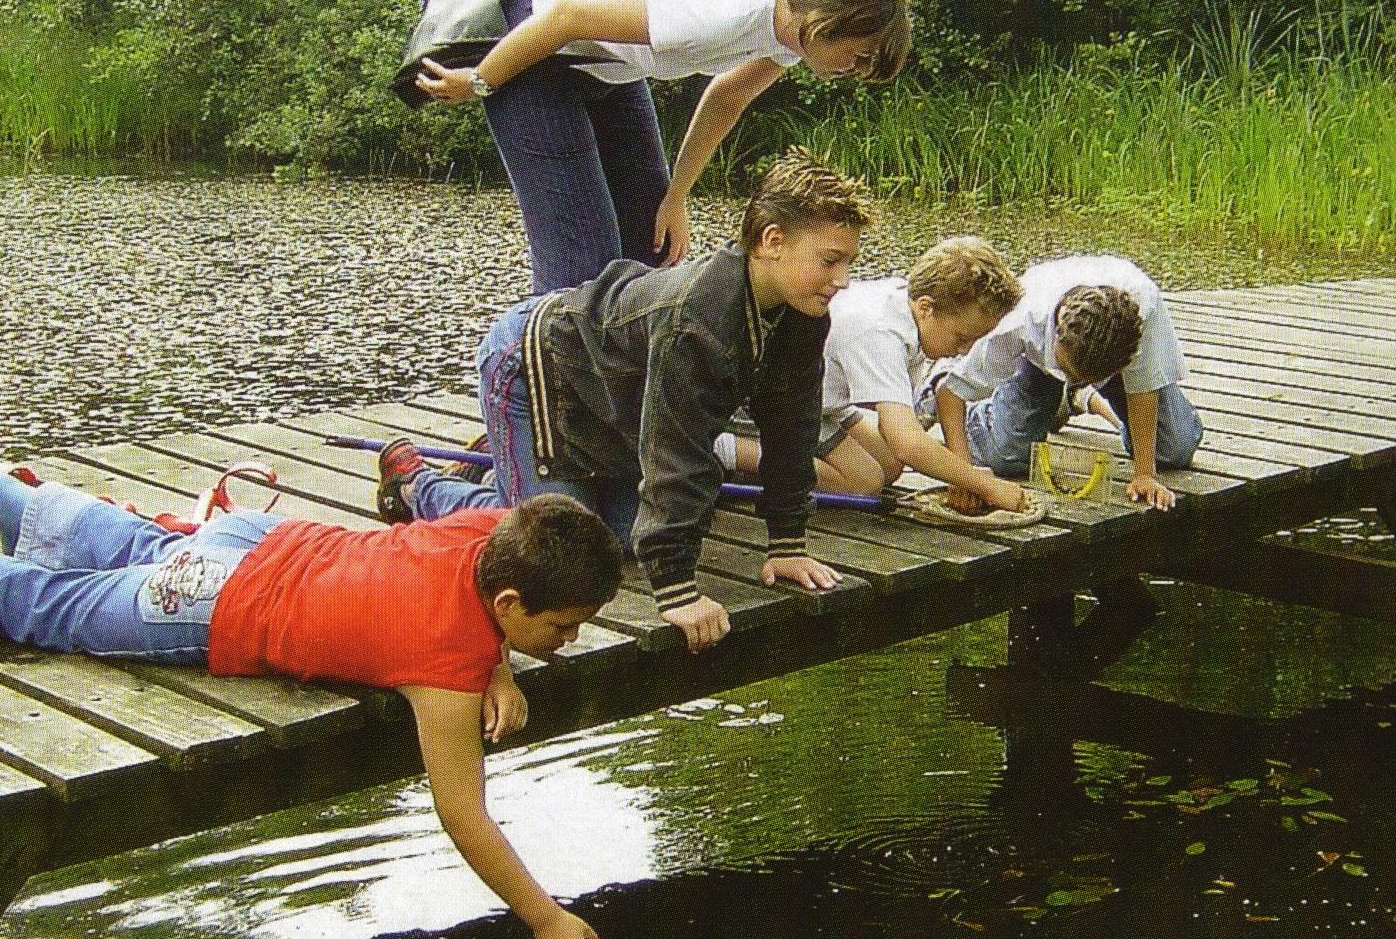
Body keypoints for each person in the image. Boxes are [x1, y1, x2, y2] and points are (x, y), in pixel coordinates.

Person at [0, 477, 626, 939]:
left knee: (138, 542)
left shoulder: (494, 532)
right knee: (53, 609)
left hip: (259, 538)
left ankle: (14, 500)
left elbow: (487, 594)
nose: (570, 640)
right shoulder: (444, 667)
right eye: (561, 627)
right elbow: (463, 815)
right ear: (511, 604)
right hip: (215, 606)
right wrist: (543, 918)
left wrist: (502, 662)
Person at [380, 149, 866, 653]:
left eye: (849, 261)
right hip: (531, 365)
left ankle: (507, 463)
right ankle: (417, 487)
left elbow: (792, 426)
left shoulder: (801, 312)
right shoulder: (695, 319)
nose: (843, 279)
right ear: (772, 241)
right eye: (831, 260)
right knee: (551, 550)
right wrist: (677, 590)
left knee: (621, 541)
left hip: (604, 400)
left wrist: (786, 541)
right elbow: (677, 452)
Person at [412, 0, 912, 292]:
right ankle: (526, 403)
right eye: (859, 54)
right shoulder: (728, 10)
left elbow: (726, 98)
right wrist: (479, 81)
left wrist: (676, 195)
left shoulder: (788, 27)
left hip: (609, 68)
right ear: (826, 22)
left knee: (652, 254)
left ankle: (620, 413)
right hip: (534, 48)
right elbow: (565, 17)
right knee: (583, 276)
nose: (855, 69)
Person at [711, 235, 1029, 507]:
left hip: (824, 401)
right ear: (926, 307)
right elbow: (908, 441)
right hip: (770, 400)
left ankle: (775, 461)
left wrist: (963, 472)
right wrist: (984, 484)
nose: (965, 350)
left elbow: (901, 446)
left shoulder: (909, 311)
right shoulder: (879, 332)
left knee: (890, 465)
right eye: (962, 338)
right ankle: (725, 449)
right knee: (862, 482)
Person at [933, 255, 1203, 512]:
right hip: (1036, 365)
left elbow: (1142, 388)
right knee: (1007, 457)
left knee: (1172, 452)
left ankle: (1077, 396)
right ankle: (973, 400)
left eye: (1083, 379)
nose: (1072, 376)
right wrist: (963, 474)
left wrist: (1145, 474)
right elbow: (952, 392)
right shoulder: (1019, 320)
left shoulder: (1142, 312)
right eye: (1069, 372)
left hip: (1108, 362)